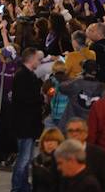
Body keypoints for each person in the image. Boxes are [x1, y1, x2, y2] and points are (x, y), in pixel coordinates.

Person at [12, 48, 44, 192]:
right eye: (38, 59)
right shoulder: (22, 76)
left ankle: (23, 185)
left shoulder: (28, 75)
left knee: (27, 158)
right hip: (25, 123)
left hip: (29, 124)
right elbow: (23, 100)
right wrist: (40, 98)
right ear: (31, 59)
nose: (40, 62)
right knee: (23, 159)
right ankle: (18, 186)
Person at [64, 118, 105, 192]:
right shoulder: (59, 154)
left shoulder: (98, 155)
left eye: (78, 131)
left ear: (86, 134)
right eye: (70, 131)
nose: (74, 134)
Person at [31, 127, 64, 192]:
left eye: (53, 140)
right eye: (46, 141)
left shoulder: (64, 161)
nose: (49, 144)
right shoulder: (37, 161)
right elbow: (35, 186)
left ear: (59, 142)